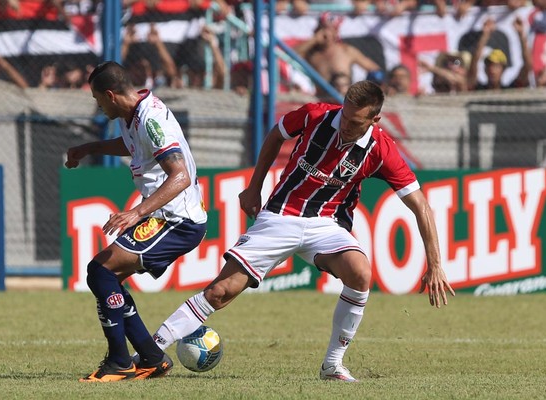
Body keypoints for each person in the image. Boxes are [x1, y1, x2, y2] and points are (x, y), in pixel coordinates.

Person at [148, 80, 455, 382]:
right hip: (280, 217)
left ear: (375, 120)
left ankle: (333, 365)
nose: (345, 125)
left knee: (361, 274)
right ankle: (149, 354)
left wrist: (436, 264)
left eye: (355, 121)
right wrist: (254, 188)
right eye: (345, 115)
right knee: (220, 292)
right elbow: (274, 135)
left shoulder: (381, 150)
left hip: (328, 225)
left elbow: (421, 206)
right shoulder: (315, 115)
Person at [65, 61, 208, 382]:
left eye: (98, 98)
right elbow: (133, 146)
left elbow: (180, 175)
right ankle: (151, 357)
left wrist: (137, 212)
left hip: (177, 219)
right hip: (166, 216)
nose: (97, 105)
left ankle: (120, 361)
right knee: (104, 277)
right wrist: (88, 148)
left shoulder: (152, 119)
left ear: (111, 95)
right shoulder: (134, 116)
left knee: (101, 271)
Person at [294, 12, 381, 99]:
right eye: (323, 29)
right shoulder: (311, 52)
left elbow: (375, 70)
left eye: (331, 29)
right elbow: (288, 55)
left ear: (336, 31)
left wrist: (365, 92)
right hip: (321, 99)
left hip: (344, 101)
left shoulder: (346, 50)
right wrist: (314, 40)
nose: (327, 33)